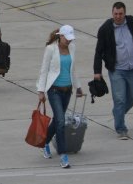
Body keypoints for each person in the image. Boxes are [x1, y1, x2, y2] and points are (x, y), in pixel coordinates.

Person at [93, 1, 133, 140]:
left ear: (125, 13)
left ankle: (117, 113)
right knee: (120, 99)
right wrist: (97, 71)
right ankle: (121, 129)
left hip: (132, 69)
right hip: (116, 70)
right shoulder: (105, 29)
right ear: (112, 13)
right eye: (115, 14)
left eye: (120, 14)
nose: (118, 16)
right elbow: (98, 51)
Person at [37, 25, 84, 169]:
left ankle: (45, 142)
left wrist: (78, 87)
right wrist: (41, 91)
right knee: (61, 121)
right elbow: (44, 70)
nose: (69, 41)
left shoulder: (72, 48)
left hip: (67, 90)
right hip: (54, 91)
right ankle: (63, 155)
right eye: (67, 38)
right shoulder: (51, 49)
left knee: (58, 120)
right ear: (60, 36)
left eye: (71, 39)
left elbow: (73, 69)